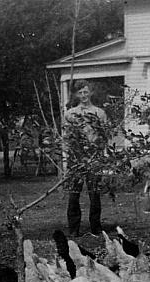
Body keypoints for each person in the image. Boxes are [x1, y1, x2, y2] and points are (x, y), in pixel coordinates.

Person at [64, 80, 108, 237]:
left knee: (94, 193)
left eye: (86, 92)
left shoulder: (99, 113)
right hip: (75, 158)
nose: (83, 95)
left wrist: (97, 150)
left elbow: (104, 137)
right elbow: (67, 138)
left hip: (93, 158)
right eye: (80, 92)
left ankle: (95, 227)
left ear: (91, 93)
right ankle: (74, 228)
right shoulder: (70, 114)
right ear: (76, 94)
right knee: (74, 193)